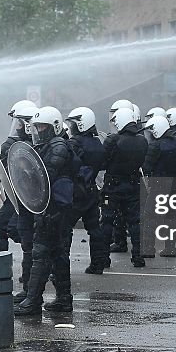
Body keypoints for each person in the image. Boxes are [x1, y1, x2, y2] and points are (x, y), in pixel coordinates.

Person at [14, 106, 73, 316]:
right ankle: (64, 299)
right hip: (53, 206)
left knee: (40, 252)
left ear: (54, 126)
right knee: (58, 254)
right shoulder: (50, 145)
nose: (39, 130)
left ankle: (32, 301)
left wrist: (26, 170)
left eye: (42, 126)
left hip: (55, 207)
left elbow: (45, 175)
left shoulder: (58, 146)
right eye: (37, 126)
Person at [100, 106, 148, 267]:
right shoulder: (142, 140)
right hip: (133, 185)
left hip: (112, 187)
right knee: (135, 222)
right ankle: (138, 257)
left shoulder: (113, 140)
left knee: (107, 221)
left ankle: (103, 258)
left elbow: (102, 162)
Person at [64, 106, 110, 275]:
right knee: (94, 229)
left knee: (64, 229)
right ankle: (98, 263)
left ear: (81, 124)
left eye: (74, 124)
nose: (71, 127)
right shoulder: (98, 143)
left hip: (75, 193)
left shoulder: (74, 143)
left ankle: (60, 267)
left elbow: (67, 165)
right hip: (91, 191)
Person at [0, 100, 35, 257]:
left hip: (20, 197)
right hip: (24, 198)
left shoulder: (13, 146)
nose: (16, 127)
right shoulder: (40, 144)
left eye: (19, 123)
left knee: (8, 229)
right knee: (17, 231)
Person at [145, 115, 176, 257]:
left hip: (159, 183)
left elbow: (147, 166)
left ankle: (149, 248)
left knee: (150, 215)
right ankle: (170, 248)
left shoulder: (156, 145)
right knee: (172, 217)